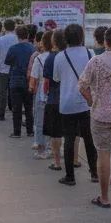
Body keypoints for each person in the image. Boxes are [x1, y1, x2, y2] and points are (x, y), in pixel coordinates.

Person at [79, 25, 111, 209]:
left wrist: (92, 101)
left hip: (100, 114)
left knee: (103, 155)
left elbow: (82, 85)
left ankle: (104, 197)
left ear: (105, 41)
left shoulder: (95, 62)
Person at [54, 23, 97, 186]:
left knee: (69, 139)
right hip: (86, 102)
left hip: (67, 103)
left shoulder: (60, 56)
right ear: (82, 37)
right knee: (89, 139)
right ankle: (94, 172)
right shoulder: (90, 53)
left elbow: (56, 78)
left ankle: (70, 176)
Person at [5, 26, 36, 138]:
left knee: (16, 108)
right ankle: (30, 130)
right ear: (27, 35)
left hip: (15, 80)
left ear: (17, 36)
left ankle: (17, 132)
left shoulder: (13, 48)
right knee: (28, 108)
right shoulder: (33, 48)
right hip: (28, 81)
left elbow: (7, 61)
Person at [41, 29, 65, 170]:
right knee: (70, 133)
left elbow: (47, 82)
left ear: (53, 42)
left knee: (55, 133)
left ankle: (57, 162)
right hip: (70, 99)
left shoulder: (50, 58)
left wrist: (45, 95)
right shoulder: (70, 56)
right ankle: (73, 159)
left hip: (54, 98)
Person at [29, 32, 51, 158]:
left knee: (40, 121)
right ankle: (53, 148)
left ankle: (41, 148)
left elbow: (33, 80)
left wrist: (32, 89)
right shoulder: (58, 56)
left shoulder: (39, 58)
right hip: (56, 93)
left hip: (42, 92)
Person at [0, 19, 18, 121]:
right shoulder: (17, 39)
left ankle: (1, 114)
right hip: (15, 70)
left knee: (2, 93)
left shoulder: (0, 40)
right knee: (14, 92)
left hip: (3, 70)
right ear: (14, 26)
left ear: (4, 27)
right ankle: (15, 111)